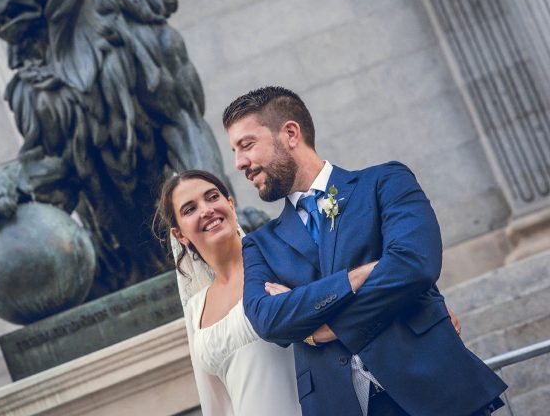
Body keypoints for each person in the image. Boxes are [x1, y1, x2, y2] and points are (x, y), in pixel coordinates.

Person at [222, 86, 507, 416]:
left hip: (436, 390)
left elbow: (415, 265)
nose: (239, 163)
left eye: (246, 145)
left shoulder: (385, 182)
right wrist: (354, 278)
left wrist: (327, 329)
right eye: (235, 151)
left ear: (290, 133)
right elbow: (267, 319)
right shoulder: (260, 244)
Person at [154, 170, 302, 416]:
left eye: (212, 197)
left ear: (231, 204)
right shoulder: (196, 309)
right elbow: (216, 404)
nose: (206, 210)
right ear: (179, 235)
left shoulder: (277, 258)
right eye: (190, 209)